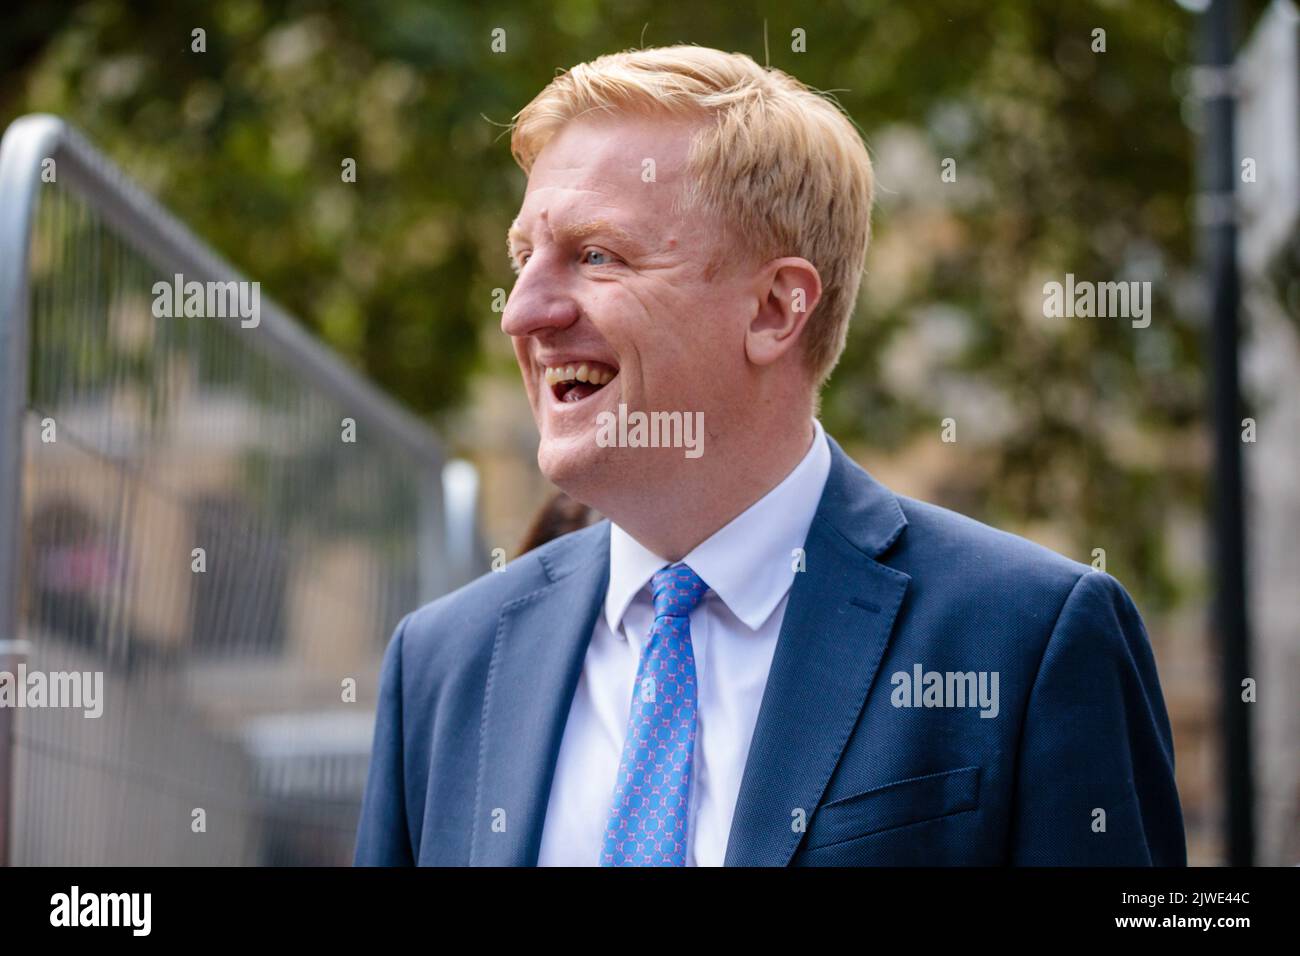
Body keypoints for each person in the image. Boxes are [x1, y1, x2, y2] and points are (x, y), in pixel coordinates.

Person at [354, 45, 1185, 866]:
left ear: (775, 310)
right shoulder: (444, 665)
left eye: (596, 255)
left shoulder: (1029, 639)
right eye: (523, 258)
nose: (523, 311)